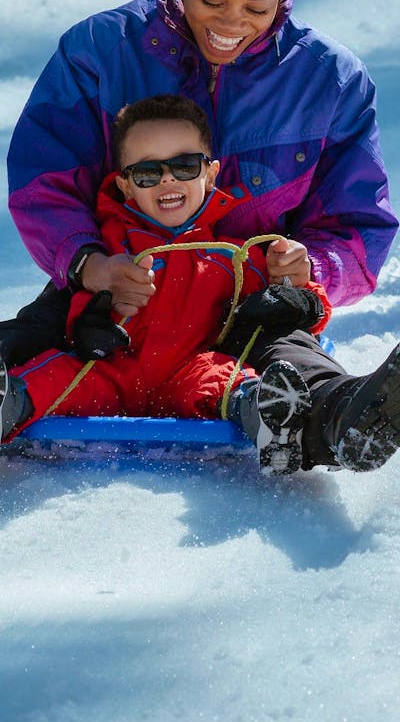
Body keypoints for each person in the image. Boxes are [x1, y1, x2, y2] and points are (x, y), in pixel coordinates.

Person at [1, 0, 399, 474]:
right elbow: (46, 180)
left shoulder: (329, 82)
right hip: (115, 286)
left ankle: (336, 420)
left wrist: (311, 268)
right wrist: (88, 264)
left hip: (245, 301)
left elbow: (358, 222)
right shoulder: (100, 51)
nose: (231, 24)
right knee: (39, 337)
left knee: (289, 354)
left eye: (257, 8)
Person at [0, 95, 331, 475]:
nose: (168, 179)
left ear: (210, 174)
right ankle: (9, 404)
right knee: (54, 372)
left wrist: (301, 288)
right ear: (125, 185)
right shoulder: (107, 253)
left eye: (185, 166)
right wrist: (94, 320)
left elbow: (296, 311)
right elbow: (68, 309)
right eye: (147, 173)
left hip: (190, 369)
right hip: (113, 371)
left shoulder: (236, 257)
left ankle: (270, 419)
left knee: (230, 381)